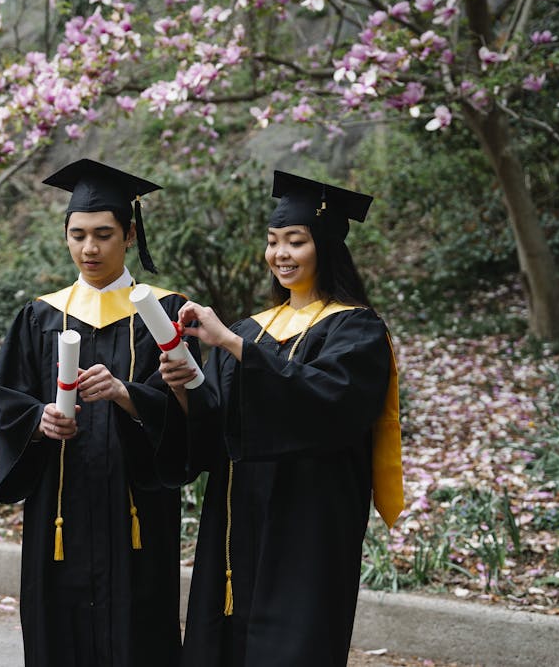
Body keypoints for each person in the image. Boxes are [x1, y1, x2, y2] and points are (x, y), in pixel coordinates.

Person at [157, 170, 404, 666]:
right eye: (273, 242)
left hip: (309, 520)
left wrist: (230, 343)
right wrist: (184, 389)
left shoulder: (355, 329)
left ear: (327, 247)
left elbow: (328, 403)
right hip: (236, 518)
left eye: (296, 241)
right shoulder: (254, 328)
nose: (281, 254)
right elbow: (215, 428)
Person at [0, 159, 196, 667]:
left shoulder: (165, 313)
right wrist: (37, 421)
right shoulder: (40, 315)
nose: (89, 249)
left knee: (139, 631)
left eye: (103, 235)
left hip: (137, 511)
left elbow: (193, 408)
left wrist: (128, 395)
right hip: (59, 510)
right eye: (77, 234)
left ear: (129, 235)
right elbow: (9, 398)